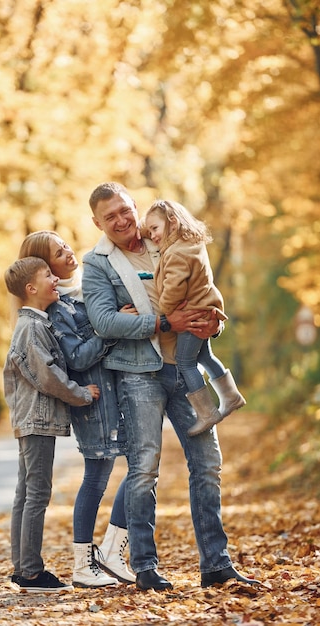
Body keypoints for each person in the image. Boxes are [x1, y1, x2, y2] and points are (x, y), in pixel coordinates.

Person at [82, 181, 260, 591]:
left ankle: (216, 564)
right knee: (144, 470)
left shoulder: (164, 236)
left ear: (135, 206)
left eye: (126, 210)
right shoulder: (98, 263)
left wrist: (212, 320)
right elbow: (105, 321)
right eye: (111, 216)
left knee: (208, 466)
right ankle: (145, 568)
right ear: (98, 222)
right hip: (139, 373)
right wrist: (162, 322)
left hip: (185, 367)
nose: (123, 220)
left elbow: (199, 284)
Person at [17, 231, 136, 587]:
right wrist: (111, 327)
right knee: (98, 478)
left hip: (119, 393)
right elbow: (76, 358)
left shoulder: (89, 287)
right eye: (58, 253)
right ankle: (85, 563)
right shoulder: (56, 310)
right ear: (44, 270)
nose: (68, 253)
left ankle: (111, 550)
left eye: (66, 245)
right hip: (95, 401)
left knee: (143, 464)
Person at [3, 255, 100, 593]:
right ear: (32, 288)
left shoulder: (33, 323)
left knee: (26, 492)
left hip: (31, 418)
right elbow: (49, 377)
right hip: (37, 419)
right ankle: (30, 572)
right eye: (48, 275)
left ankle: (23, 567)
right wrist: (82, 394)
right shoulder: (32, 327)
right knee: (37, 493)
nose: (55, 279)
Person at [142, 199, 245, 436]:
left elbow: (174, 289)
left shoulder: (177, 254)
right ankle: (231, 396)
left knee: (185, 361)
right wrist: (147, 225)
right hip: (203, 307)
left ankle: (207, 413)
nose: (152, 235)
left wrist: (164, 309)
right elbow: (155, 224)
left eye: (155, 229)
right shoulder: (190, 243)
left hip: (191, 314)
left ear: (173, 222)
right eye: (149, 231)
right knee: (205, 355)